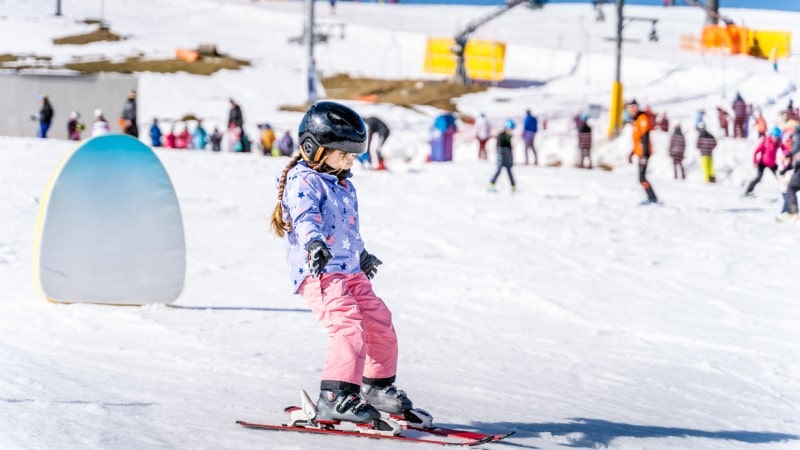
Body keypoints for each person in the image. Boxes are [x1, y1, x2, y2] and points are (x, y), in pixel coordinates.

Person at [269, 101, 413, 424]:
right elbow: (306, 219)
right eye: (344, 153)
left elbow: (348, 229)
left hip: (349, 271)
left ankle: (376, 387)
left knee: (379, 319)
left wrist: (361, 255)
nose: (350, 161)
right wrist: (314, 244)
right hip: (319, 272)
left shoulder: (344, 185)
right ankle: (335, 395)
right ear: (315, 149)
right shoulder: (303, 181)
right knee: (347, 324)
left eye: (353, 155)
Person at [626, 99, 658, 204]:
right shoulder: (636, 120)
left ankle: (652, 198)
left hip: (644, 153)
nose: (630, 110)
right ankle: (651, 198)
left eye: (632, 107)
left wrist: (644, 155)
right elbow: (637, 140)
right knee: (641, 177)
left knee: (642, 177)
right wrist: (632, 153)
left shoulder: (642, 118)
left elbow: (644, 137)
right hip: (640, 153)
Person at [744, 126, 783, 197]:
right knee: (758, 177)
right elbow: (756, 151)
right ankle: (748, 191)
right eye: (775, 136)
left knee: (780, 177)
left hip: (772, 164)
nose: (776, 138)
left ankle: (785, 193)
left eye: (778, 137)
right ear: (772, 135)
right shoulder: (766, 141)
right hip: (762, 163)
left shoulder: (778, 143)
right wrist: (755, 161)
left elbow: (784, 149)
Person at [488, 120, 517, 192]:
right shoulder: (501, 136)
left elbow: (510, 149)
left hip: (507, 157)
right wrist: (499, 156)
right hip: (502, 156)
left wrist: (511, 159)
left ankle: (513, 186)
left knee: (509, 171)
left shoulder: (509, 137)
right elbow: (498, 147)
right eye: (510, 129)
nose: (511, 131)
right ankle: (491, 184)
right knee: (498, 170)